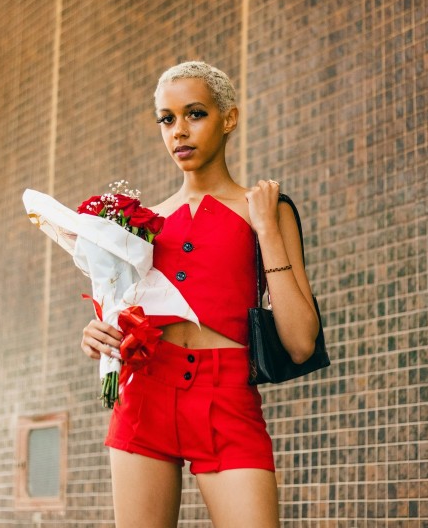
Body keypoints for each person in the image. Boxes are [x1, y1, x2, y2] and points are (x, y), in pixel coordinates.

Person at [81, 61, 320, 528]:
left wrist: (267, 228)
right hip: (145, 396)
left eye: (194, 114)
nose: (179, 131)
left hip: (228, 400)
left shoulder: (266, 210)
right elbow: (121, 314)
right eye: (167, 119)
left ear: (229, 118)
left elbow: (300, 341)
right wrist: (98, 335)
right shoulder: (142, 225)